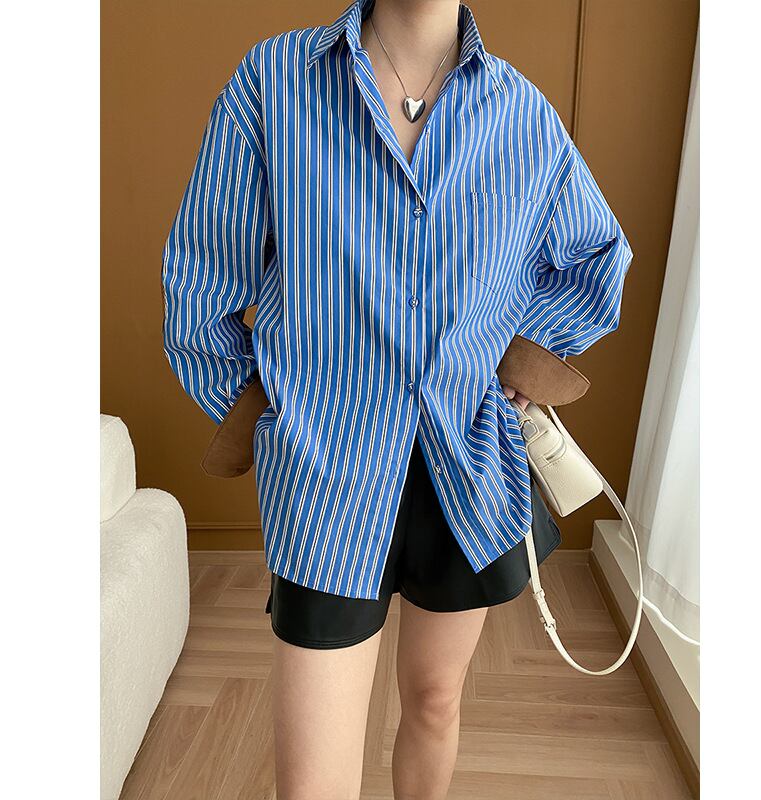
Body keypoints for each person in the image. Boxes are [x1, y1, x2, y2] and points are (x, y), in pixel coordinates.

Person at [161, 0, 633, 797]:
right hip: (327, 479)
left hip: (468, 469)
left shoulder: (522, 116)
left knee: (437, 702)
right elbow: (199, 291)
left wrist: (512, 360)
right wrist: (274, 418)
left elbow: (596, 260)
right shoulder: (274, 83)